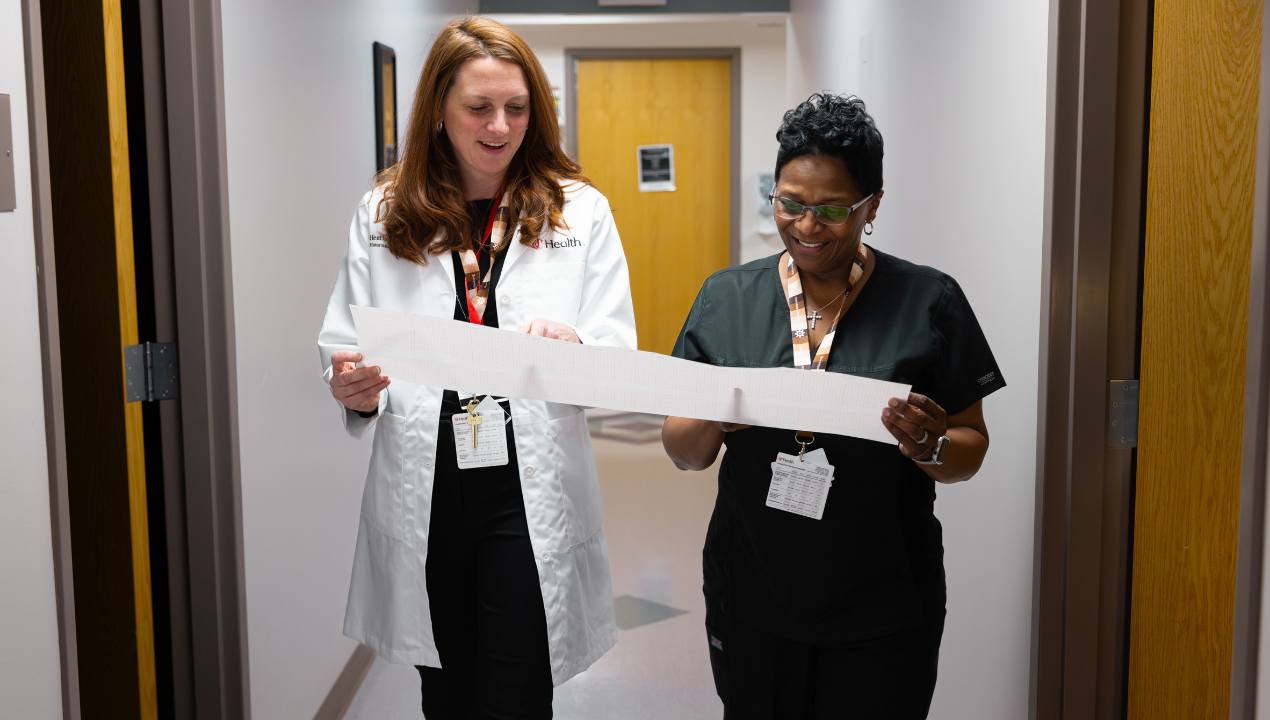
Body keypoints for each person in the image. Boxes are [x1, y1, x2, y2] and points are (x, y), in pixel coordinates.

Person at [317, 17, 635, 719]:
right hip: (428, 482)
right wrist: (352, 386)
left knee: (517, 687)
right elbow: (345, 338)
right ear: (438, 109)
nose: (500, 125)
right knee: (448, 686)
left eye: (517, 108)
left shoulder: (579, 211)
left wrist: (576, 346)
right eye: (478, 107)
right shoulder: (384, 210)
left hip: (527, 484)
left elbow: (615, 350)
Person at [661, 94, 1005, 718]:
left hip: (884, 603)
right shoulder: (726, 298)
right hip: (754, 595)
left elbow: (969, 451)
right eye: (789, 203)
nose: (807, 226)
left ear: (872, 205)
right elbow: (683, 452)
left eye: (832, 210)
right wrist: (714, 415)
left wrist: (929, 444)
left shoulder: (928, 301)